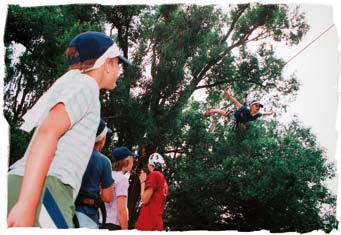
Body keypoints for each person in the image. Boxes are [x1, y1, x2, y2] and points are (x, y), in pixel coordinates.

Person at [7, 31, 132, 228]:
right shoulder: (86, 85)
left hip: (31, 185)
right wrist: (28, 204)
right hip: (46, 190)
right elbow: (48, 132)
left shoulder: (73, 84)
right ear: (106, 64)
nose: (118, 69)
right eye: (118, 63)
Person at [74, 119, 114, 229]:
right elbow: (108, 197)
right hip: (87, 216)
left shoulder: (74, 154)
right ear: (103, 139)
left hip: (66, 210)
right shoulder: (104, 162)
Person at [100, 146, 137, 230]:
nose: (133, 162)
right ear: (127, 160)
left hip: (100, 222)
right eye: (132, 159)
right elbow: (121, 210)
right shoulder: (122, 179)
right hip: (113, 225)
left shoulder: (106, 176)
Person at [205, 89, 273, 131]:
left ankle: (242, 124)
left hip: (244, 120)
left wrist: (269, 113)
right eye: (256, 106)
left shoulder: (257, 114)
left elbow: (264, 113)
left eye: (259, 107)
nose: (258, 108)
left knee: (243, 127)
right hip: (235, 115)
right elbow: (236, 102)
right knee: (224, 113)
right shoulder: (244, 109)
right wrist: (228, 95)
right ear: (251, 106)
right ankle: (212, 110)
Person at [135, 153, 168, 231]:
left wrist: (143, 182)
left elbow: (144, 200)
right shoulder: (163, 180)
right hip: (157, 223)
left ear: (150, 165)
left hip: (148, 223)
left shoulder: (154, 175)